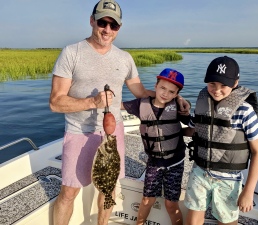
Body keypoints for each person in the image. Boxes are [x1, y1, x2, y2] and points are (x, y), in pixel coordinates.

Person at [49, 0, 190, 224]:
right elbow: (55, 103)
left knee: (109, 189)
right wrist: (91, 102)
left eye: (113, 25)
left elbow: (141, 92)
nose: (107, 29)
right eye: (102, 22)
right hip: (79, 132)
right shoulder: (71, 53)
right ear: (91, 21)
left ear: (119, 28)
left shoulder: (125, 58)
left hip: (114, 135)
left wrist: (175, 96)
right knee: (69, 193)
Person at [183, 56, 258, 225]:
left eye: (223, 85)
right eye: (212, 84)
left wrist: (248, 191)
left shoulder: (245, 111)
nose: (216, 90)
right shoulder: (202, 102)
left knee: (226, 221)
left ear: (235, 83)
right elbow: (193, 129)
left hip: (229, 178)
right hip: (200, 171)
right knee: (193, 218)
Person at [121, 68, 190, 225]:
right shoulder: (141, 105)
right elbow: (117, 106)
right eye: (162, 88)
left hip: (175, 163)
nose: (165, 93)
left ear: (176, 94)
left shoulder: (179, 107)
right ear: (156, 85)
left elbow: (191, 126)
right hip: (154, 162)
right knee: (146, 200)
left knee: (171, 204)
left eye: (171, 92)